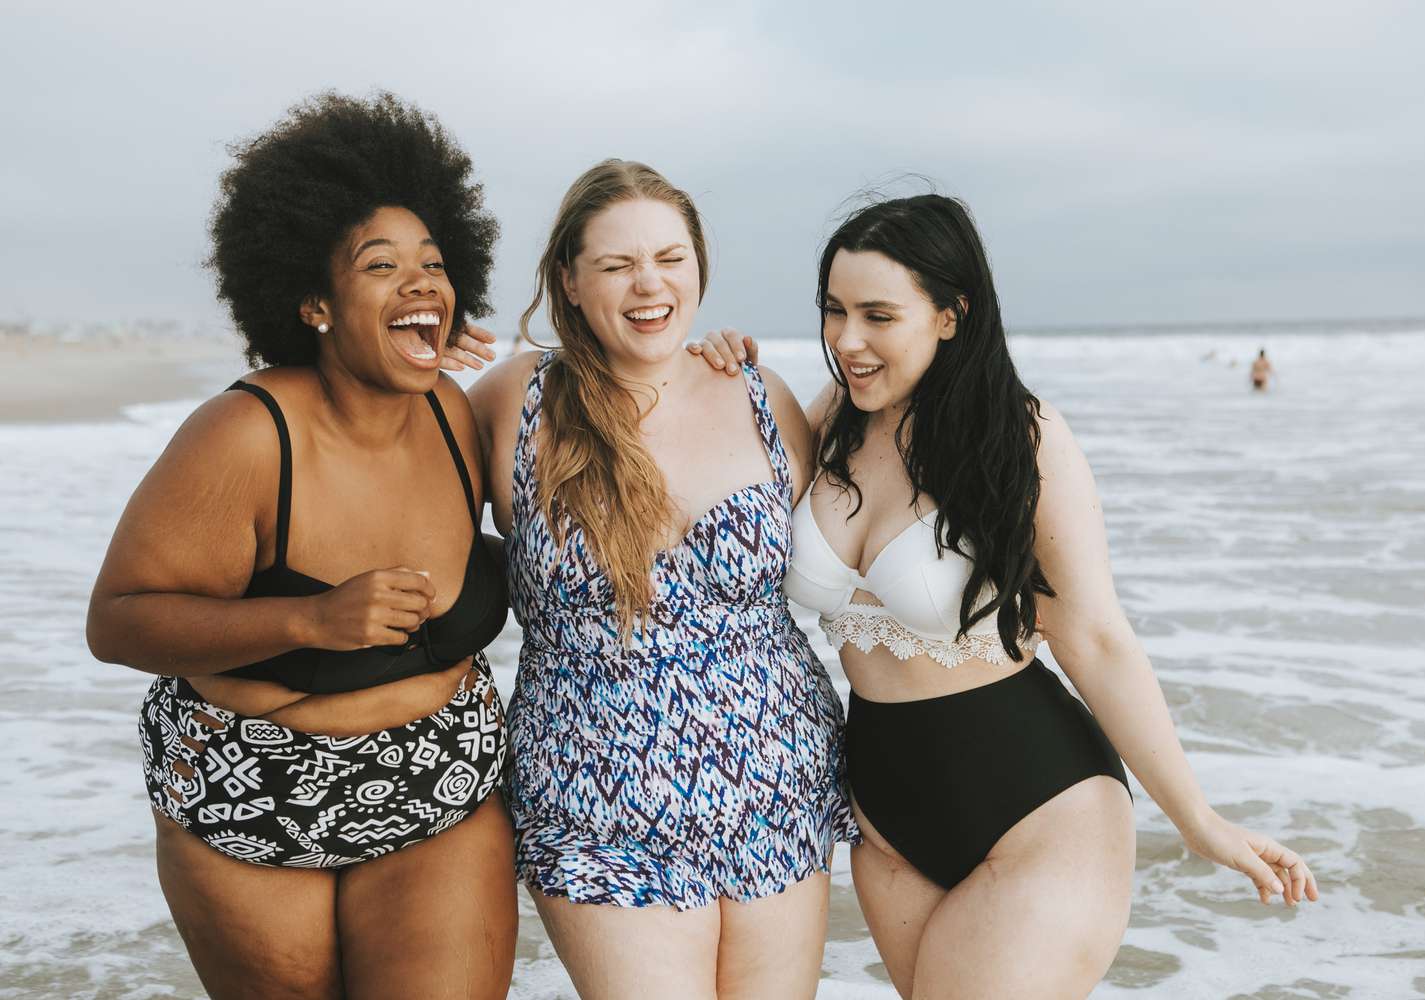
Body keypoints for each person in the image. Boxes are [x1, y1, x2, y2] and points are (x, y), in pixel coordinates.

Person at [689, 194, 1318, 999]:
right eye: (834, 310)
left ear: (952, 315)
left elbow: (1094, 638)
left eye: (879, 315)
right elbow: (714, 508)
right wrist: (708, 370)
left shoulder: (1022, 437)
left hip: (1038, 808)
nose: (848, 340)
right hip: (885, 816)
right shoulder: (834, 417)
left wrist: (1198, 820)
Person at [86, 93, 517, 998]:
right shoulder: (246, 434)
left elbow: (608, 402)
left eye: (434, 266)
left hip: (440, 788)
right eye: (382, 265)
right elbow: (120, 624)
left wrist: (717, 357)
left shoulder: (456, 415)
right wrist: (310, 618)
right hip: (254, 795)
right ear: (316, 300)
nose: (422, 283)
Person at [467, 160, 857, 999]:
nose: (650, 285)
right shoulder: (513, 402)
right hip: (594, 795)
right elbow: (385, 505)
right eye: (616, 265)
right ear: (568, 281)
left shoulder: (759, 392)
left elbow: (879, 509)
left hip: (774, 778)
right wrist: (411, 363)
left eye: (671, 259)